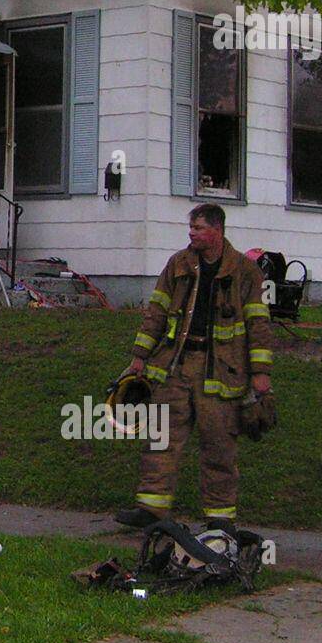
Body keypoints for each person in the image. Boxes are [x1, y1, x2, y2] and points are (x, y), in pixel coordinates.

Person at [114, 204, 273, 533]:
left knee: (219, 446)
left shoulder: (245, 272)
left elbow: (259, 325)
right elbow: (155, 312)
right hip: (176, 367)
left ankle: (220, 518)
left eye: (199, 228)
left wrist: (260, 374)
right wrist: (139, 356)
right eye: (191, 227)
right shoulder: (178, 264)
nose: (192, 233)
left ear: (217, 230)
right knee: (160, 438)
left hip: (221, 373)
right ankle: (151, 508)